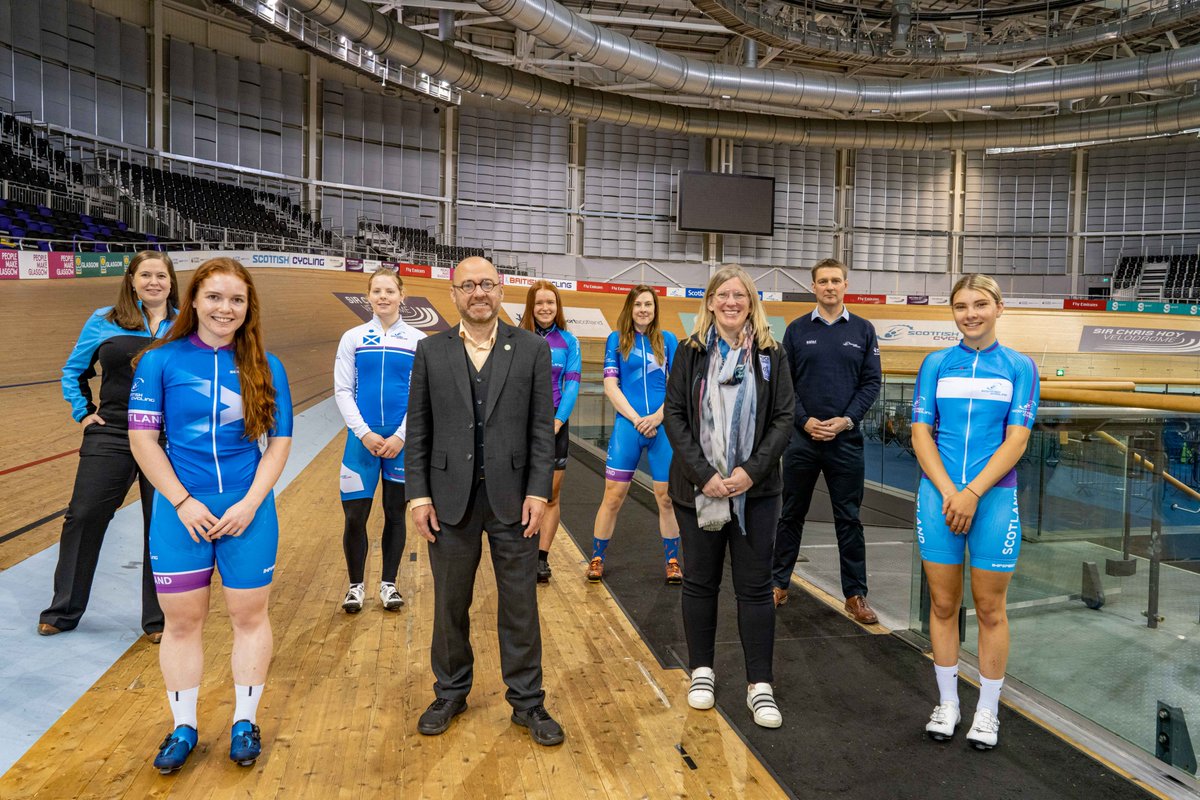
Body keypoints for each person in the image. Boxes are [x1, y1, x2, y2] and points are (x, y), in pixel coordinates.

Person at [128, 257, 293, 773]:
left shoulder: (268, 364)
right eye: (216, 297)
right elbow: (142, 439)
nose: (226, 308)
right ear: (194, 300)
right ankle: (183, 725)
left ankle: (245, 720)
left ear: (249, 308)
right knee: (182, 624)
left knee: (250, 617)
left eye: (237, 300)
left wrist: (249, 504)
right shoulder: (160, 361)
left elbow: (280, 442)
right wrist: (181, 500)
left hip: (249, 512)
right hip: (183, 514)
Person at [406, 256, 564, 747]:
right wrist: (418, 497)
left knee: (519, 603)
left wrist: (539, 490)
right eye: (469, 285)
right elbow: (419, 431)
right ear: (453, 294)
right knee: (451, 601)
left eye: (488, 284)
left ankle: (527, 701)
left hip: (514, 499)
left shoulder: (533, 349)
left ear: (500, 292)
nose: (479, 292)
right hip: (448, 500)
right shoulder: (431, 350)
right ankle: (451, 691)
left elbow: (542, 428)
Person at [911, 274, 1038, 750]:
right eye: (961, 306)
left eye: (980, 304)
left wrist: (973, 493)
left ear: (999, 308)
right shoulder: (936, 363)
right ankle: (948, 703)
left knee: (989, 608)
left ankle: (987, 711)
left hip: (994, 499)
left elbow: (1018, 438)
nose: (971, 314)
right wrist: (950, 491)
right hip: (938, 496)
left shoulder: (1020, 366)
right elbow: (921, 432)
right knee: (943, 606)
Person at [664, 266, 794, 729]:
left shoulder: (771, 352)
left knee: (755, 589)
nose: (732, 302)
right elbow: (675, 417)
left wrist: (748, 474)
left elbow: (783, 418)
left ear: (751, 302)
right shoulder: (689, 351)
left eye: (740, 295)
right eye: (724, 294)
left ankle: (760, 684)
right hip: (698, 490)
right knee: (700, 582)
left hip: (755, 495)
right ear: (711, 301)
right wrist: (706, 476)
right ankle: (702, 671)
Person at [39, 251, 178, 641]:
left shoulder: (185, 323)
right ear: (131, 280)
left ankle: (159, 620)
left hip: (168, 438)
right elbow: (74, 370)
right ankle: (63, 610)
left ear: (171, 282)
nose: (154, 282)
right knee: (83, 516)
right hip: (113, 431)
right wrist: (83, 412)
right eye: (146, 275)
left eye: (161, 276)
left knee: (164, 525)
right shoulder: (105, 319)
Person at [771, 258, 881, 623]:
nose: (830, 286)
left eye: (836, 280)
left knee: (849, 519)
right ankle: (778, 582)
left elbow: (871, 384)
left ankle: (855, 595)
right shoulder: (797, 330)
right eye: (823, 281)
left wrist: (846, 420)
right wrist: (805, 422)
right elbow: (784, 384)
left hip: (845, 442)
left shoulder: (864, 331)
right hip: (802, 441)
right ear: (814, 287)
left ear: (845, 285)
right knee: (791, 514)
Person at [333, 268, 424, 612]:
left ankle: (389, 584)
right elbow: (342, 390)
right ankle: (356, 586)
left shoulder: (417, 340)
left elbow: (420, 395)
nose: (383, 297)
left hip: (401, 443)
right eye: (377, 291)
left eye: (390, 291)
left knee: (395, 515)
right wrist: (364, 433)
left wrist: (401, 435)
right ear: (368, 296)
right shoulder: (353, 337)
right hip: (362, 442)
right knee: (355, 517)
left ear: (402, 296)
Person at [588, 285, 681, 584]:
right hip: (629, 427)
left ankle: (672, 560)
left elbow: (678, 388)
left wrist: (657, 417)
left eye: (649, 305)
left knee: (666, 499)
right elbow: (610, 386)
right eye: (638, 304)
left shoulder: (668, 341)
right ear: (630, 308)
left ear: (655, 310)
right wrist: (638, 418)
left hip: (662, 426)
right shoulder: (617, 340)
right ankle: (597, 557)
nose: (643, 309)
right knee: (613, 497)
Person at [519, 281, 581, 584]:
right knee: (519, 491)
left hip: (555, 425)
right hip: (520, 426)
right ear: (531, 305)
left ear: (558, 307)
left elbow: (572, 385)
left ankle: (541, 559)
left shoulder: (569, 341)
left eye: (551, 303)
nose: (545, 308)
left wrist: (557, 422)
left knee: (552, 496)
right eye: (540, 302)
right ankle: (521, 552)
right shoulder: (517, 338)